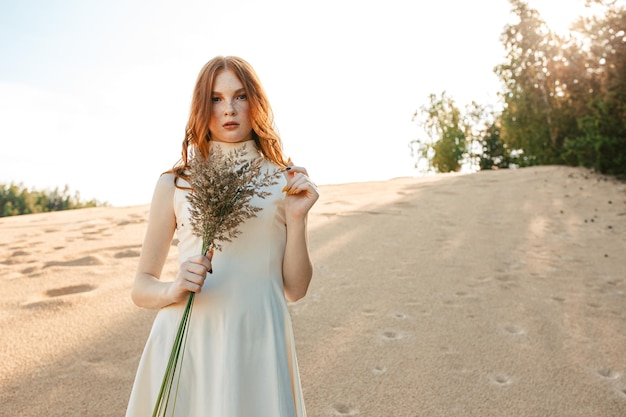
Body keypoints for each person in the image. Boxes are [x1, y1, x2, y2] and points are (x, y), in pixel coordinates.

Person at [125, 56, 318, 417]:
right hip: (188, 345)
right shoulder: (175, 183)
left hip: (257, 344)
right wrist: (173, 287)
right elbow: (141, 287)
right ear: (202, 106)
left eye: (240, 96)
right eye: (215, 98)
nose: (228, 109)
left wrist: (298, 219)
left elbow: (295, 288)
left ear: (255, 103)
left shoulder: (283, 180)